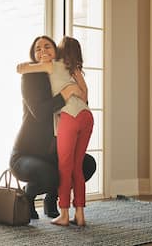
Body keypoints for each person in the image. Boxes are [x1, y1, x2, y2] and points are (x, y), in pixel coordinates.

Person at [9, 35, 96, 220]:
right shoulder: (30, 77)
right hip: (26, 154)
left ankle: (51, 198)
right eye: (37, 49)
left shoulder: (61, 72)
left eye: (47, 46)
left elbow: (83, 99)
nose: (42, 51)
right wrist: (65, 93)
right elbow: (40, 113)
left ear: (56, 51)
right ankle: (29, 194)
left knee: (87, 165)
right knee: (52, 175)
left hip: (52, 152)